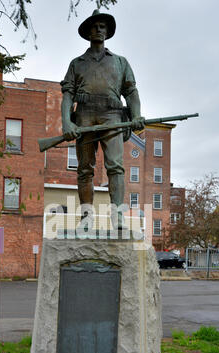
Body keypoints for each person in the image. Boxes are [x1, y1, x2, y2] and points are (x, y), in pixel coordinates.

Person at [61, 9, 145, 229]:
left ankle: (117, 215)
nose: (98, 30)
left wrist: (136, 116)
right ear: (88, 31)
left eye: (102, 27)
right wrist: (67, 122)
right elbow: (67, 95)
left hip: (112, 116)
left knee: (115, 166)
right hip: (85, 116)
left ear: (107, 32)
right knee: (85, 169)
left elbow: (131, 92)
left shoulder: (120, 62)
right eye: (94, 26)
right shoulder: (77, 63)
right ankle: (86, 217)